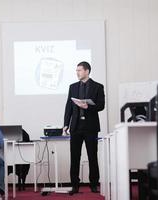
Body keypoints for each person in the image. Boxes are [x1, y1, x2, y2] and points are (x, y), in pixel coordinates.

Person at [63, 61, 105, 195]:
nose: (77, 73)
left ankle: (93, 184)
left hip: (91, 127)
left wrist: (89, 107)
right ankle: (75, 185)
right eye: (76, 70)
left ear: (87, 71)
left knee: (92, 156)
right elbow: (68, 107)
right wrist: (65, 124)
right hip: (75, 126)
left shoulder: (98, 86)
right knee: (74, 157)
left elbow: (101, 105)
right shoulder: (73, 87)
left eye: (79, 70)